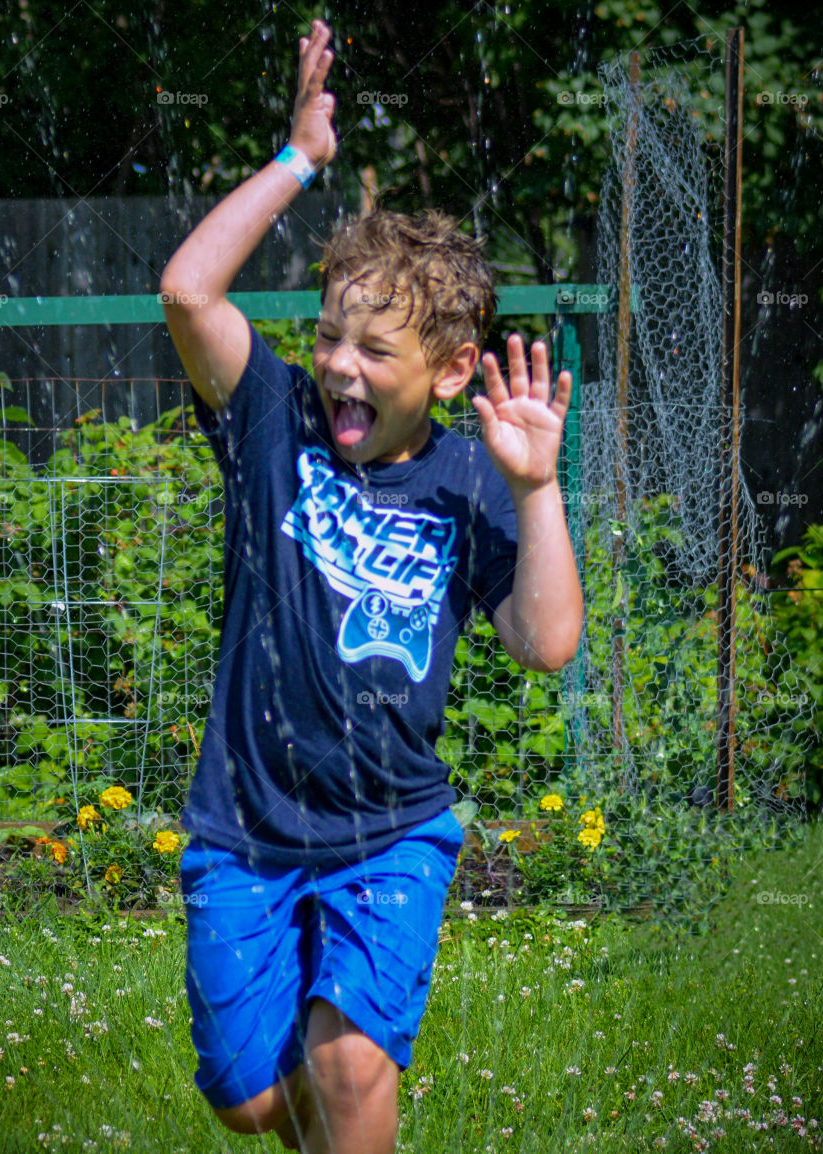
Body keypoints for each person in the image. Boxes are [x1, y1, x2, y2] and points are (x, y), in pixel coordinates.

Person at [160, 19, 583, 1154]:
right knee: (253, 1098)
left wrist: (537, 489)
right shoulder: (274, 420)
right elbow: (189, 289)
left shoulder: (467, 479)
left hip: (390, 829)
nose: (341, 364)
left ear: (449, 372)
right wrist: (300, 157)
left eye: (374, 351)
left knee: (348, 1061)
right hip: (241, 826)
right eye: (331, 336)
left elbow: (545, 642)